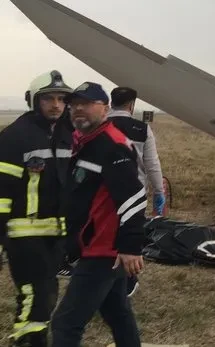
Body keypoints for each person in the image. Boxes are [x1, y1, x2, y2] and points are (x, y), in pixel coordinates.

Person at [50, 82, 145, 346]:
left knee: (65, 324)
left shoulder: (111, 145)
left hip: (102, 250)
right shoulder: (86, 141)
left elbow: (133, 196)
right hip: (97, 247)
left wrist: (130, 245)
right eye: (75, 104)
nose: (78, 109)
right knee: (117, 313)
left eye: (87, 104)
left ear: (105, 109)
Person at [0, 70, 74, 347]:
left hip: (56, 234)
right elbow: (1, 192)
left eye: (61, 99)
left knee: (46, 292)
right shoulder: (15, 137)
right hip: (23, 234)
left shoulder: (70, 135)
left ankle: (30, 337)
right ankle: (29, 340)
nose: (56, 104)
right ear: (34, 101)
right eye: (49, 99)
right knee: (36, 294)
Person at [107, 86, 166, 298]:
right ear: (131, 105)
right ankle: (127, 281)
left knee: (107, 235)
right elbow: (152, 164)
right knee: (129, 235)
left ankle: (110, 276)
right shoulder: (142, 129)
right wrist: (159, 191)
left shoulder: (100, 125)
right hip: (134, 193)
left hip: (104, 193)